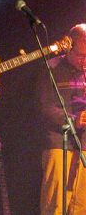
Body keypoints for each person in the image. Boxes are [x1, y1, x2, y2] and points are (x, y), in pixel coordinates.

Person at [38, 24, 86, 215]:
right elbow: (45, 106)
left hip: (84, 145)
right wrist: (75, 119)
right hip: (59, 143)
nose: (85, 61)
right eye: (82, 55)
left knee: (80, 206)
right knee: (55, 205)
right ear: (69, 47)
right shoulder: (51, 68)